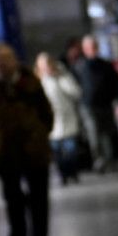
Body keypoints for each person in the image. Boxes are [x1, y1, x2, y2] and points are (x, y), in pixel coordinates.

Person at [0, 45, 53, 236]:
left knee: (39, 200)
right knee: (13, 201)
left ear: (14, 61)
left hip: (34, 151)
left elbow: (46, 112)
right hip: (6, 153)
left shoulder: (30, 82)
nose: (2, 65)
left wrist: (39, 134)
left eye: (6, 60)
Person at [74, 37, 118, 172]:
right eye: (89, 48)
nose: (92, 50)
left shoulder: (106, 65)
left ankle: (110, 160)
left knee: (107, 134)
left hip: (105, 105)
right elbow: (75, 87)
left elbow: (116, 85)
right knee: (93, 134)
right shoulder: (79, 66)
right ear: (84, 49)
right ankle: (98, 160)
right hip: (88, 107)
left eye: (94, 47)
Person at [38, 53, 88, 186]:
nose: (46, 68)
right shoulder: (39, 81)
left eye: (47, 65)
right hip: (51, 122)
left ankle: (73, 173)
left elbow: (76, 92)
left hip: (68, 119)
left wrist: (60, 79)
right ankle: (63, 175)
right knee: (57, 153)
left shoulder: (63, 76)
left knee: (71, 151)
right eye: (43, 66)